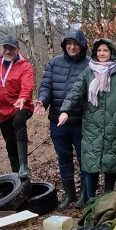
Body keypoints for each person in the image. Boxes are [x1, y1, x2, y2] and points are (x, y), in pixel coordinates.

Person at [57, 38, 116, 198]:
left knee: (111, 164)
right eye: (99, 50)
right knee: (90, 164)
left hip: (114, 125)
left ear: (111, 52)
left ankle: (108, 198)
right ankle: (91, 199)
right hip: (92, 126)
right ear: (95, 53)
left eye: (105, 50)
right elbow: (76, 92)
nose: (102, 53)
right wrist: (65, 110)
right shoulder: (88, 72)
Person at [34, 26, 90, 209]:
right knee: (63, 157)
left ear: (82, 46)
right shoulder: (54, 63)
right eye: (69, 44)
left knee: (84, 158)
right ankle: (69, 195)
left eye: (76, 44)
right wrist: (42, 101)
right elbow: (45, 87)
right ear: (64, 45)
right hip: (57, 120)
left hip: (81, 121)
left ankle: (85, 194)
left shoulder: (90, 64)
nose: (72, 47)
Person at [0, 34, 35, 179]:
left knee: (19, 121)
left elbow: (27, 86)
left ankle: (24, 165)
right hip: (1, 112)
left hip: (21, 106)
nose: (8, 51)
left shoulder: (25, 66)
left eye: (11, 48)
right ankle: (17, 176)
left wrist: (23, 98)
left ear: (17, 49)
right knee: (9, 142)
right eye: (5, 47)